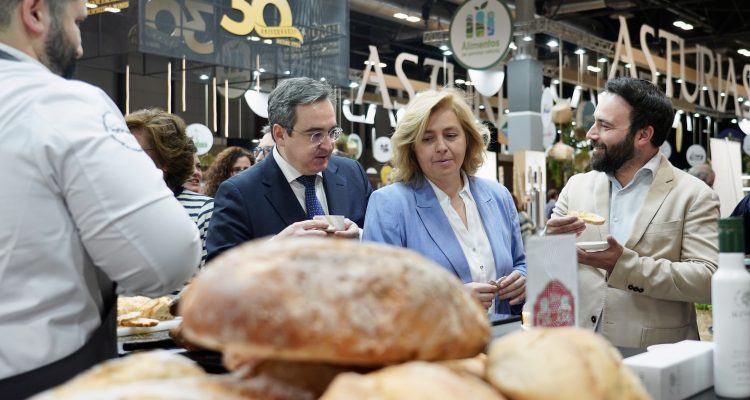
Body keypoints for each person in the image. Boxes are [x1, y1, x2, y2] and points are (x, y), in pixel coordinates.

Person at [0, 1, 201, 397]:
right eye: (76, 23)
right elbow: (168, 260)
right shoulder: (59, 102)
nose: (79, 47)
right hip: (40, 377)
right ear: (36, 13)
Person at [545, 77, 719, 348]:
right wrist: (548, 244)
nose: (591, 133)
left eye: (604, 125)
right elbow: (550, 270)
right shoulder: (577, 186)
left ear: (643, 135)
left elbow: (707, 280)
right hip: (578, 351)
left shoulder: (694, 195)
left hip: (656, 357)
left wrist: (624, 266)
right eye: (595, 122)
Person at [362, 89, 527, 315]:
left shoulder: (498, 196)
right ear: (412, 148)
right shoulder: (390, 205)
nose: (441, 147)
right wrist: (450, 299)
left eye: (451, 135)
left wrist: (523, 279)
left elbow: (520, 262)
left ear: (468, 139)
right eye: (428, 139)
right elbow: (377, 295)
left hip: (502, 338)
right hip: (434, 346)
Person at [206, 77, 372, 260]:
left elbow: (383, 250)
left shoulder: (352, 174)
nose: (328, 145)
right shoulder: (240, 192)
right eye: (315, 135)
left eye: (332, 132)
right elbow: (218, 271)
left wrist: (362, 237)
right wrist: (274, 249)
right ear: (280, 135)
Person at [126, 109, 214, 266]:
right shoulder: (117, 208)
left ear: (166, 158)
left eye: (136, 150)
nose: (124, 156)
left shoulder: (204, 211)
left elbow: (210, 281)